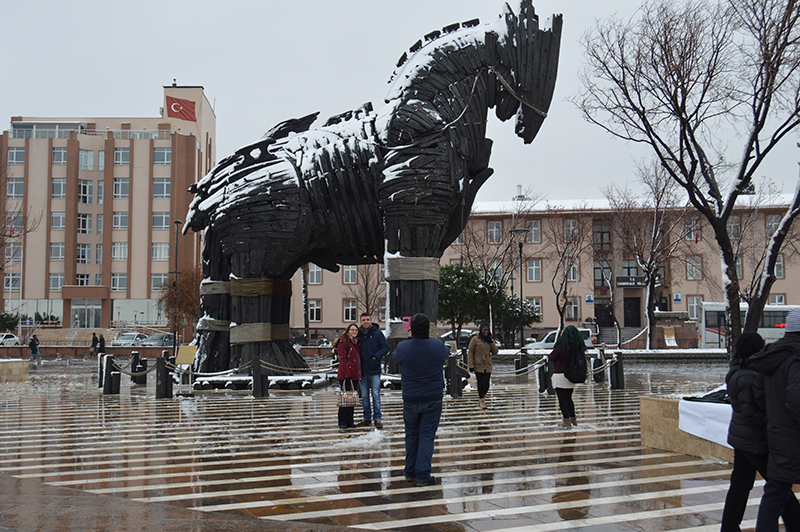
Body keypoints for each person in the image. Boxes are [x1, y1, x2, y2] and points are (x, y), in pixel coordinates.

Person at [720, 332, 800, 532]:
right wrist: (772, 421)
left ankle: (729, 527)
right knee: (779, 487)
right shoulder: (750, 376)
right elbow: (751, 412)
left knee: (740, 487)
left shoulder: (737, 372)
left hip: (742, 438)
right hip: (754, 441)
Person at [749, 308, 800, 532]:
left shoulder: (772, 355)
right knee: (777, 491)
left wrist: (773, 422)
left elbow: (758, 396)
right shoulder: (796, 357)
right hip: (794, 435)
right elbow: (797, 401)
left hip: (777, 434)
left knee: (776, 492)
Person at [392, 313, 450, 486]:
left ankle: (409, 471)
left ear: (411, 330)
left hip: (410, 397)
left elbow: (396, 357)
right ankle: (423, 474)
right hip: (432, 397)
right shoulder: (437, 345)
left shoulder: (403, 347)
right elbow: (446, 353)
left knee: (411, 434)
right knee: (426, 435)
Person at [548, 325, 586, 427]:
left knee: (562, 399)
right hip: (571, 376)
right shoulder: (577, 346)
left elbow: (551, 357)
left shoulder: (562, 346)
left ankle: (566, 421)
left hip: (560, 375)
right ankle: (573, 420)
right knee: (569, 398)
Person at [357, 313, 390, 429]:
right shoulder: (358, 334)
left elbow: (386, 347)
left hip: (374, 368)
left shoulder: (377, 333)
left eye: (367, 319)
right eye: (363, 320)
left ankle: (377, 418)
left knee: (375, 394)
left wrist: (376, 357)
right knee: (365, 395)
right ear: (360, 321)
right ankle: (367, 417)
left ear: (371, 320)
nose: (366, 321)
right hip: (362, 369)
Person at [336, 323, 361, 430]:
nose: (354, 332)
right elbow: (342, 359)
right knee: (345, 399)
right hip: (346, 375)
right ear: (348, 331)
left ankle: (350, 421)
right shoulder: (343, 342)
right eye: (352, 330)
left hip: (354, 375)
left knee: (351, 399)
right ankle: (342, 422)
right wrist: (347, 375)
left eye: (356, 330)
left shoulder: (355, 342)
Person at [468, 324, 498, 409]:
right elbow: (470, 352)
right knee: (480, 383)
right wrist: (471, 365)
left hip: (487, 365)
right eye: (484, 330)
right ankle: (482, 400)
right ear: (481, 331)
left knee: (486, 384)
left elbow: (495, 352)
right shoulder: (475, 340)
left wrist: (491, 342)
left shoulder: (490, 340)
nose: (485, 332)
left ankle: (483, 398)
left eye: (487, 330)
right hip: (478, 365)